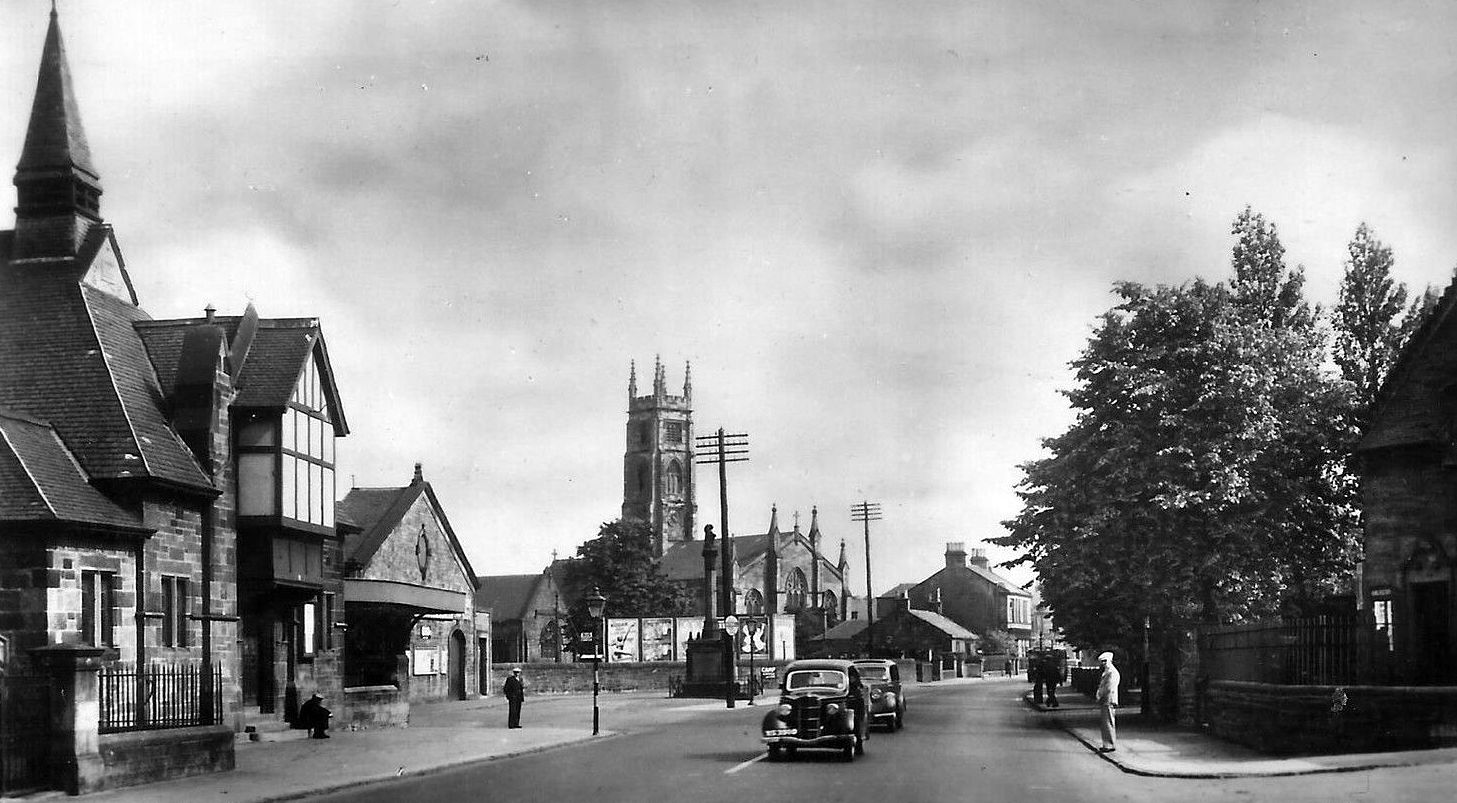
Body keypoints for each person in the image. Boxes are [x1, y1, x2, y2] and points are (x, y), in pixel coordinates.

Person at [1095, 651, 1120, 752]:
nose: (1103, 663)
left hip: (1108, 699)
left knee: (1108, 722)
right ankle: (1107, 744)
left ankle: (1109, 745)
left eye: (1105, 661)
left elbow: (1109, 687)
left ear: (1109, 660)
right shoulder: (1108, 671)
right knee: (1105, 723)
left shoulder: (1111, 672)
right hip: (1106, 699)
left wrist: (1100, 695)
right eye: (1102, 661)